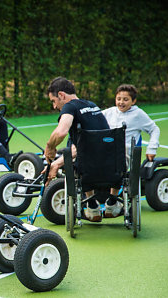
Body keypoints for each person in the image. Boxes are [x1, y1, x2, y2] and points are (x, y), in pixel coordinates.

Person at [43, 77, 110, 222]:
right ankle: (108, 204)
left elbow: (61, 132)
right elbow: (85, 146)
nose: (54, 107)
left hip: (88, 171)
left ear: (61, 95)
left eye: (53, 101)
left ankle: (92, 205)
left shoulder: (70, 107)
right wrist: (55, 164)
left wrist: (50, 147)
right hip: (112, 167)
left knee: (75, 163)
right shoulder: (92, 105)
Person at [101, 84, 160, 217]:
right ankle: (91, 203)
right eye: (118, 99)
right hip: (106, 151)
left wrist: (152, 148)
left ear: (133, 101)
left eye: (125, 99)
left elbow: (154, 129)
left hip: (125, 153)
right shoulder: (109, 112)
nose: (121, 102)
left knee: (117, 167)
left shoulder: (138, 114)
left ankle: (112, 200)